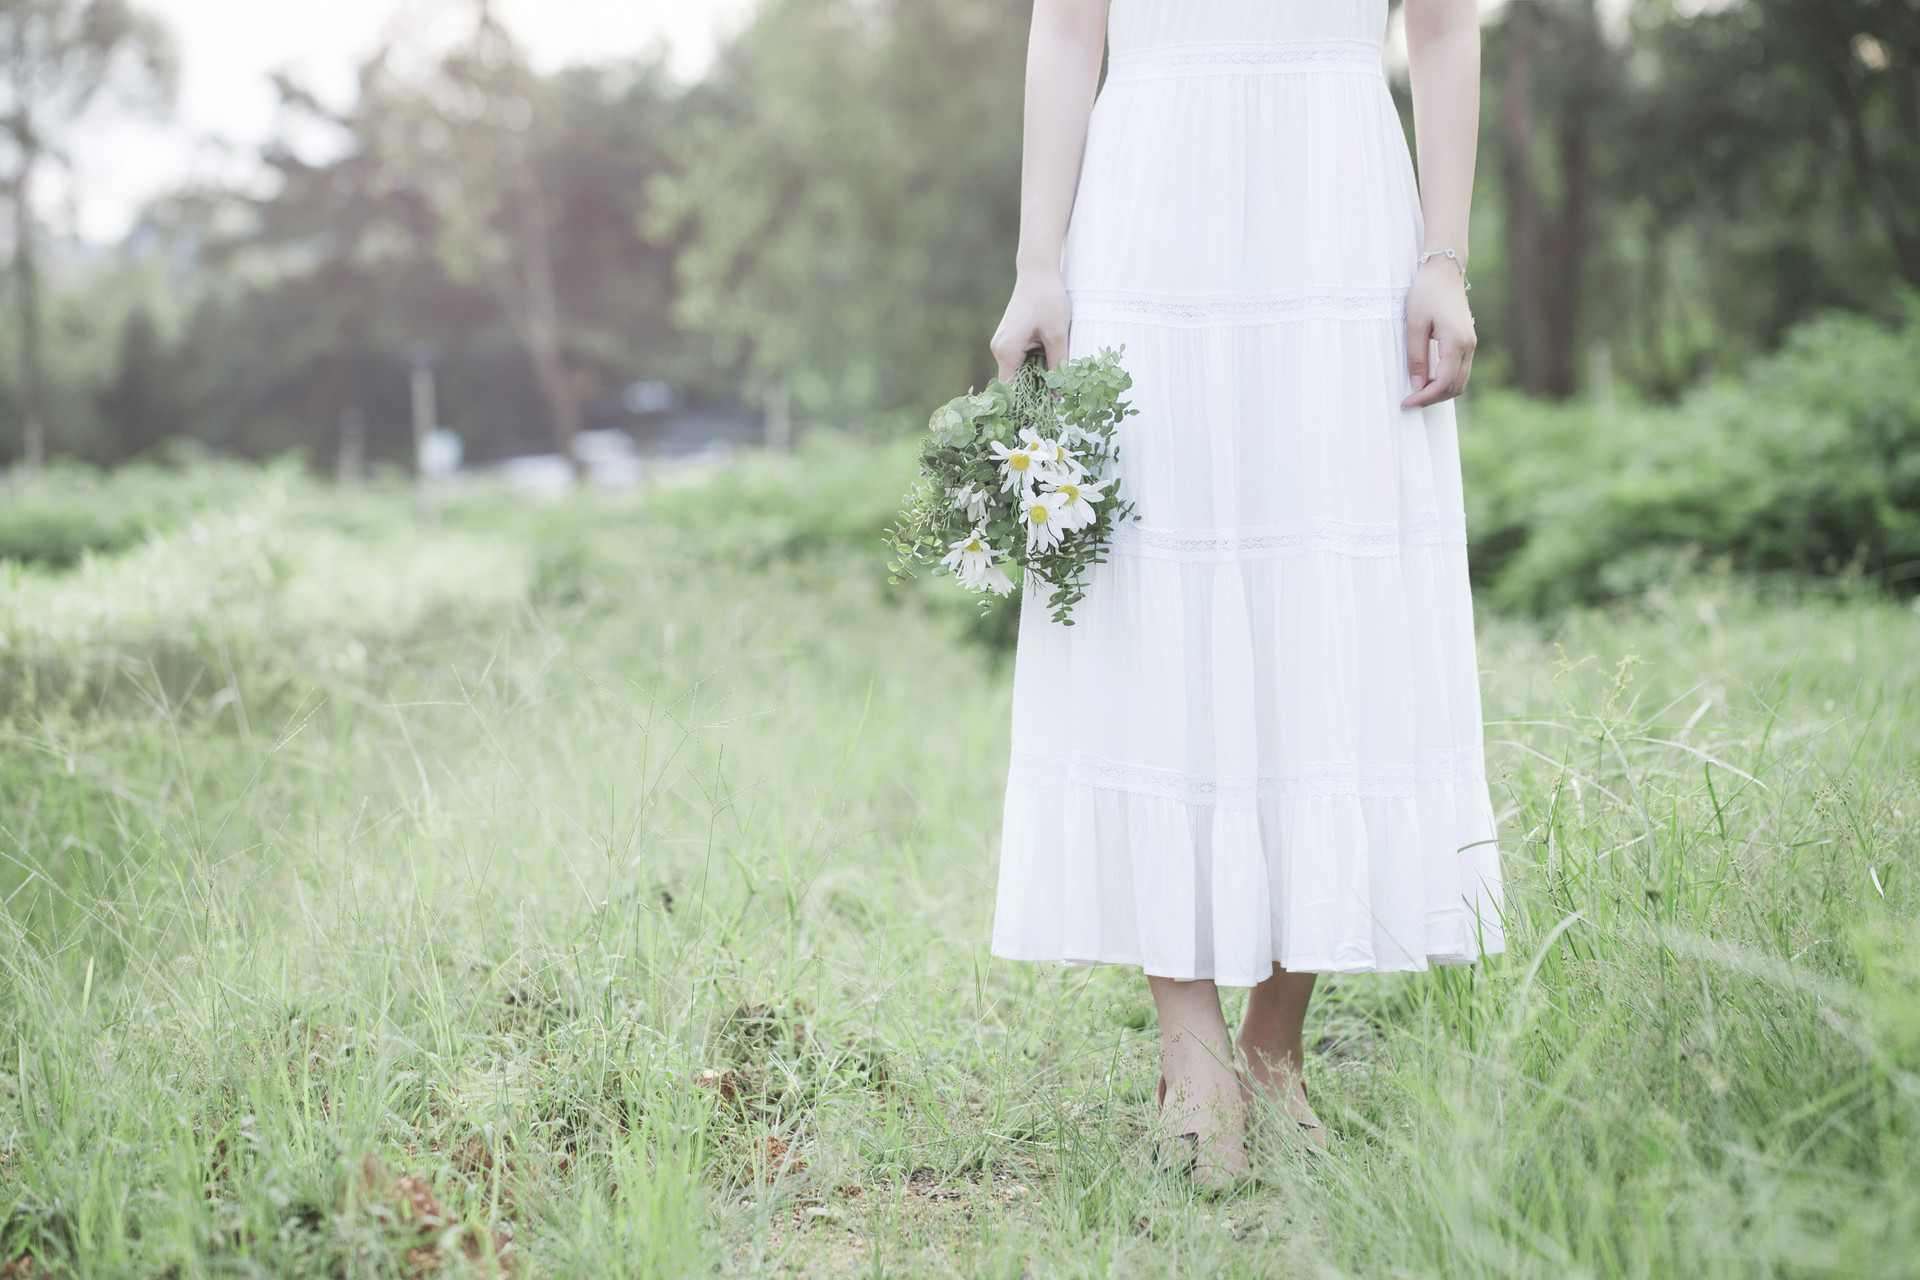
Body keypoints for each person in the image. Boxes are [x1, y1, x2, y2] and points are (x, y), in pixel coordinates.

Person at [988, 0, 1502, 1183]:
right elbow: (1067, 28)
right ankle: (1192, 1049)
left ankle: (1275, 1047)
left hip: (1338, 215)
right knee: (1148, 591)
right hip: (1148, 210)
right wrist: (1038, 265)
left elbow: (1443, 27)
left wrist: (1442, 258)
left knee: (1325, 603)